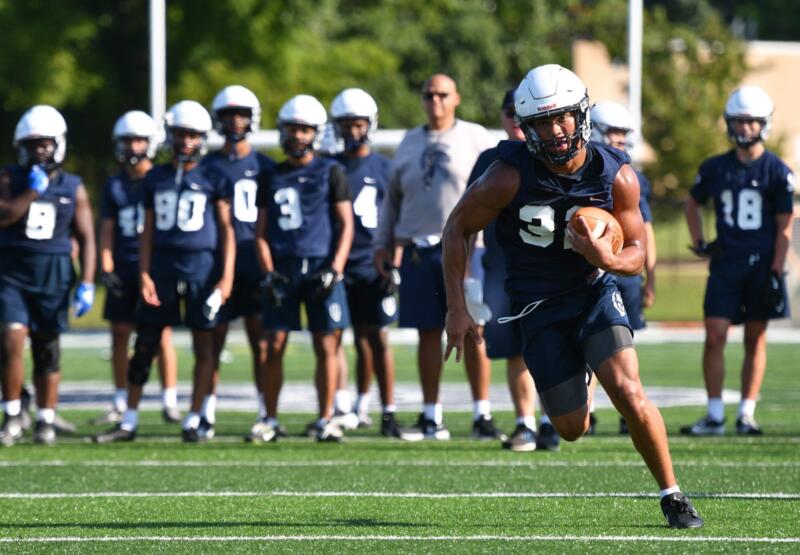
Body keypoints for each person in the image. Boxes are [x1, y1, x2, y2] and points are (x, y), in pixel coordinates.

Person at [441, 64, 704, 528]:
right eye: (543, 122)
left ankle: (673, 495)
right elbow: (457, 228)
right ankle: (580, 372)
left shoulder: (616, 174)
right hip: (537, 305)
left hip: (592, 291)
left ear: (581, 114)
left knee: (628, 390)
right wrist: (457, 307)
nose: (556, 130)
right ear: (526, 128)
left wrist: (608, 258)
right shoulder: (507, 176)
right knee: (571, 428)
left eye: (562, 116)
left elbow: (637, 251)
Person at [94, 100, 235, 443]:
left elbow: (226, 229)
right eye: (180, 134)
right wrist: (144, 274)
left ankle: (194, 416)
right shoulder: (155, 177)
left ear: (202, 138)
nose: (185, 141)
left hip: (201, 268)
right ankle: (129, 419)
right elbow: (147, 231)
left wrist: (226, 277)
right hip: (162, 269)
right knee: (145, 345)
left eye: (192, 135)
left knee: (204, 345)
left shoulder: (213, 175)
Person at [373, 73, 501, 440]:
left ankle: (481, 413)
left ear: (456, 98)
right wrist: (383, 242)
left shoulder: (475, 137)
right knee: (427, 332)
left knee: (475, 329)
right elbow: (392, 199)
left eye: (442, 95)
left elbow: (496, 191)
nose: (435, 101)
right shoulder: (409, 141)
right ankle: (431, 414)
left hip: (468, 247)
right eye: (429, 95)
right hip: (420, 249)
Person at [682, 85, 794, 436]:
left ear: (764, 124)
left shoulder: (777, 170)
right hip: (726, 262)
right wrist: (699, 241)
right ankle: (715, 414)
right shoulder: (715, 167)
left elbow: (785, 225)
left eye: (751, 121)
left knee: (755, 338)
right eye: (739, 120)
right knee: (715, 334)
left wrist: (776, 269)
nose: (744, 127)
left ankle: (746, 412)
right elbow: (692, 202)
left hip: (762, 264)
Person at [254, 94, 354, 443]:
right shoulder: (271, 174)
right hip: (283, 267)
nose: (298, 135)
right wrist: (268, 271)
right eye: (292, 128)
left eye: (305, 129)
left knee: (327, 345)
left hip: (320, 267)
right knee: (273, 345)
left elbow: (346, 225)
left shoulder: (331, 171)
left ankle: (326, 418)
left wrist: (335, 269)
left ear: (316, 132)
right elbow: (260, 232)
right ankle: (269, 418)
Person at [0, 105, 96, 446]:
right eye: (32, 145)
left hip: (54, 273)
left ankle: (46, 418)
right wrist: (31, 192)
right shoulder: (9, 178)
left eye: (45, 144)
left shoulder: (73, 186)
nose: (39, 151)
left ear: (59, 144)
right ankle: (12, 414)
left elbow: (87, 237)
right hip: (13, 271)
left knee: (47, 348)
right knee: (10, 340)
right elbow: (5, 216)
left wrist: (87, 282)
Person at [466, 88, 556, 452]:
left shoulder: (553, 155)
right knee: (516, 347)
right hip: (503, 265)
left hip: (550, 265)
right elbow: (465, 219)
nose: (515, 120)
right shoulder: (491, 160)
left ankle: (552, 420)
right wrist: (468, 272)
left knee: (552, 343)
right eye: (509, 112)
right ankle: (526, 423)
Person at [94, 110, 180, 426]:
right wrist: (107, 266)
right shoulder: (115, 185)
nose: (133, 146)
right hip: (124, 266)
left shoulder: (160, 179)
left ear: (151, 143)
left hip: (154, 268)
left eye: (139, 140)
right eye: (128, 140)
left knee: (161, 336)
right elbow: (107, 229)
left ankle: (169, 399)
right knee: (119, 334)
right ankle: (120, 399)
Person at [328, 88, 403, 438]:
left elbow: (399, 218)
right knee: (345, 337)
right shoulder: (330, 166)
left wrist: (395, 261)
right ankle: (349, 406)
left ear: (370, 124)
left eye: (358, 124)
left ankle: (388, 410)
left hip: (375, 262)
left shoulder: (385, 167)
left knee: (379, 338)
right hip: (340, 263)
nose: (352, 130)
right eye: (346, 124)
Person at [202, 85, 276, 441]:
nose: (235, 121)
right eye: (229, 115)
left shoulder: (266, 166)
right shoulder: (207, 166)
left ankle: (264, 411)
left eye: (241, 114)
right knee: (212, 341)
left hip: (254, 261)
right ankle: (206, 412)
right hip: (216, 263)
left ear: (252, 118)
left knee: (260, 341)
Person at [589, 100, 657, 435]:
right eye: (612, 131)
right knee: (586, 344)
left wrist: (650, 276)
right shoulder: (581, 172)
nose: (619, 138)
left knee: (624, 345)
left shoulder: (630, 176)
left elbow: (644, 230)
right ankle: (587, 410)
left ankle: (627, 411)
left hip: (623, 270)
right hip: (589, 271)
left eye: (622, 132)